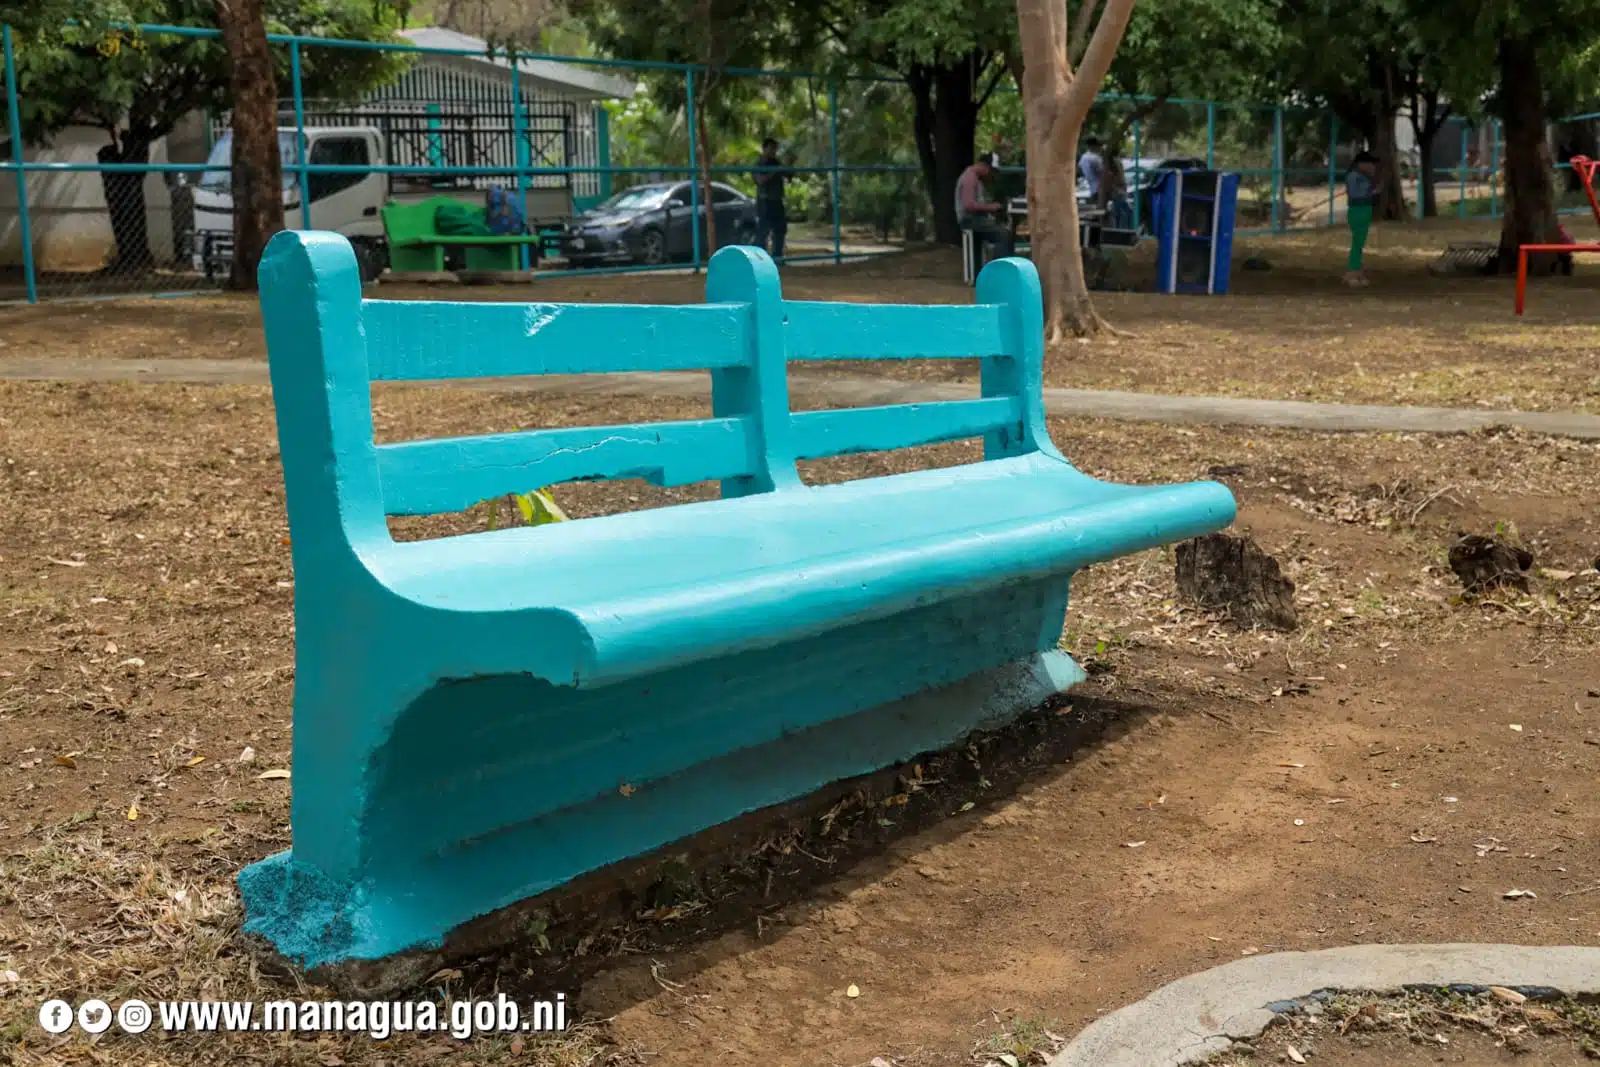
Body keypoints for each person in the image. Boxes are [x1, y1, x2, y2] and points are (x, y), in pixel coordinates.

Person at [955, 153, 1015, 264]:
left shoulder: (975, 178)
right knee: (1003, 235)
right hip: (969, 219)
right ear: (984, 166)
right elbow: (969, 205)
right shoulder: (970, 177)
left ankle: (999, 266)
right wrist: (991, 207)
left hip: (974, 218)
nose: (990, 174)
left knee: (1004, 232)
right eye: (990, 171)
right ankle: (997, 269)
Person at [1345, 150, 1380, 288]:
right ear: (1361, 164)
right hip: (1358, 210)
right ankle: (1352, 274)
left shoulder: (1362, 177)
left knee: (1360, 244)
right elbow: (1356, 194)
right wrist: (1372, 192)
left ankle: (1358, 273)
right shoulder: (1354, 176)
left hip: (1364, 210)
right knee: (1357, 244)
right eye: (1370, 163)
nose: (1373, 166)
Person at [752, 137, 789, 261]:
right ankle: (760, 259)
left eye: (775, 149)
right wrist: (773, 172)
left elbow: (788, 175)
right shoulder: (759, 164)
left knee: (780, 230)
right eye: (771, 148)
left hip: (777, 201)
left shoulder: (776, 162)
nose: (774, 151)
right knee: (763, 231)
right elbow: (760, 180)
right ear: (764, 149)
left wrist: (786, 168)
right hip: (765, 201)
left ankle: (778, 257)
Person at [1079, 137, 1106, 204]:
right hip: (1100, 190)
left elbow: (1080, 171)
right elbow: (1102, 173)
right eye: (1099, 145)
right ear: (1093, 146)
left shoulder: (1083, 157)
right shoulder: (1095, 158)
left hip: (1092, 189)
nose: (1100, 147)